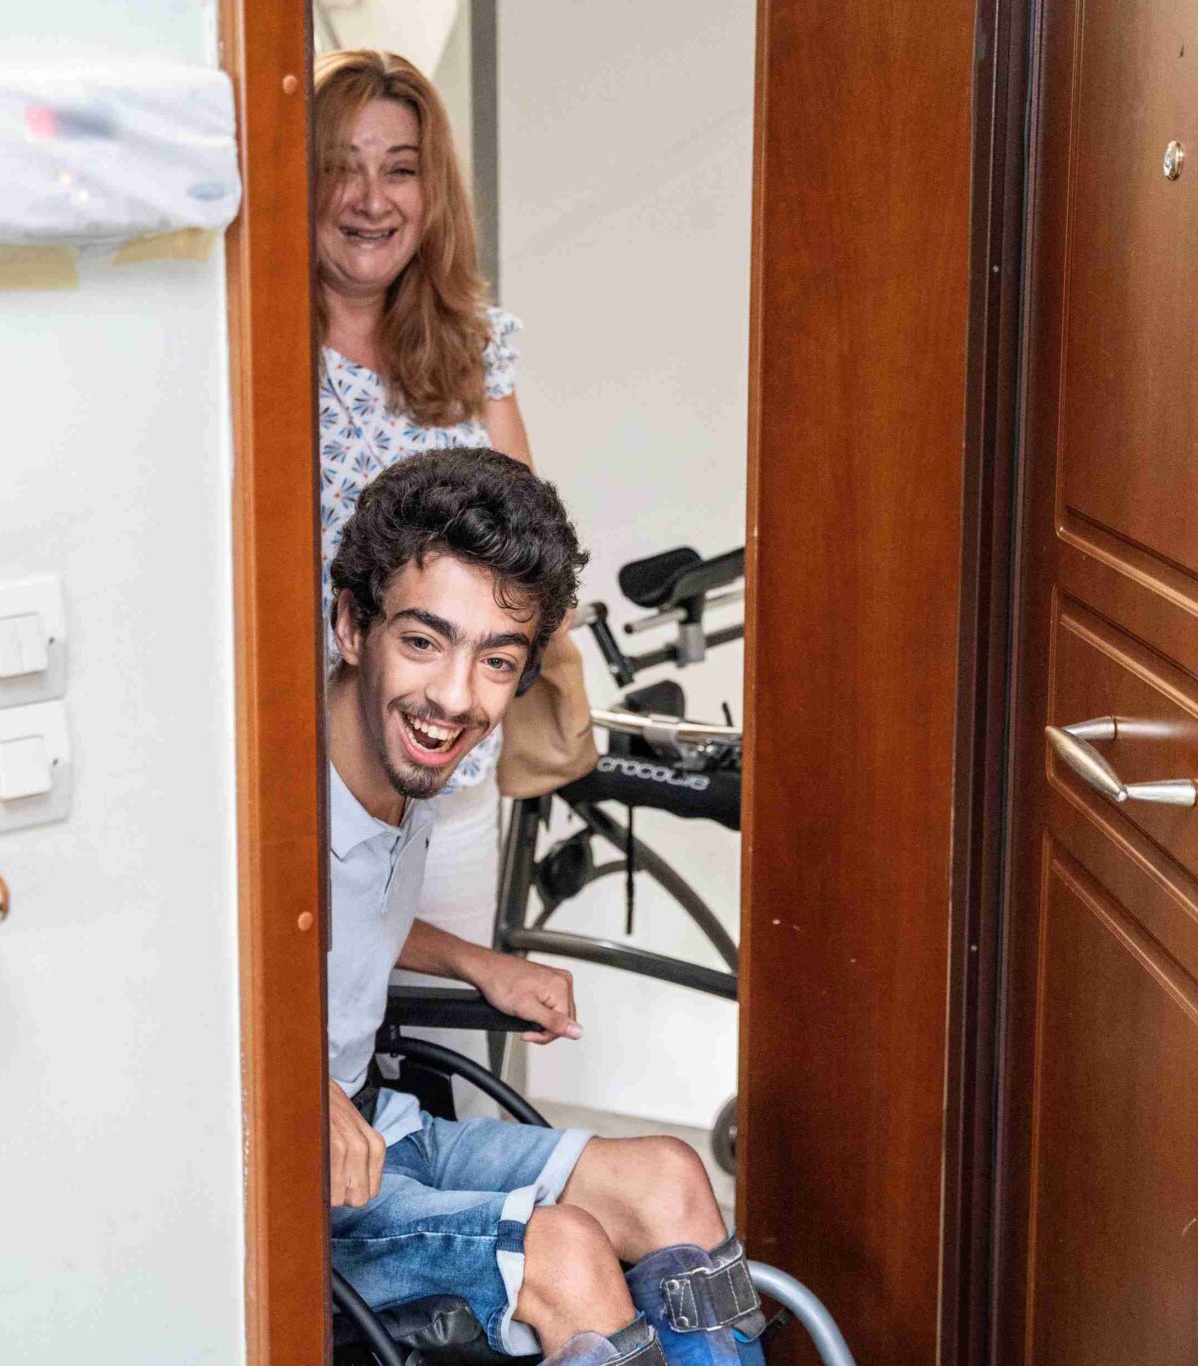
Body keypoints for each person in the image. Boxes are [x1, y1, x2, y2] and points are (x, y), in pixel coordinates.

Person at [324, 449, 767, 1366]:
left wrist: (477, 963)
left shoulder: (412, 759)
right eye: (423, 642)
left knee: (670, 1180)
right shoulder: (264, 793)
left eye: (496, 660)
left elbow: (344, 915)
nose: (454, 697)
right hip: (304, 1186)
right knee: (565, 1254)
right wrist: (284, 1089)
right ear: (352, 625)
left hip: (386, 1129)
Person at [315, 49, 534, 1011]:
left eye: (399, 169)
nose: (370, 199)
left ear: (430, 188)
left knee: (445, 1044)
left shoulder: (475, 345)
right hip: (310, 793)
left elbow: (530, 561)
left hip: (450, 782)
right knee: (317, 1058)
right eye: (340, 167)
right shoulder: (244, 348)